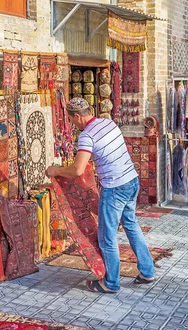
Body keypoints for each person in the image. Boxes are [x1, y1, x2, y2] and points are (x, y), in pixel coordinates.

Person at [45, 98, 154, 293]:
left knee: (107, 237)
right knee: (131, 225)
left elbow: (78, 169)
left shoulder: (87, 135)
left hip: (115, 188)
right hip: (131, 180)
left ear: (78, 116)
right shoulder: (108, 122)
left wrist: (56, 171)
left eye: (72, 120)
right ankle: (147, 271)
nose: (73, 125)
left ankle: (111, 283)